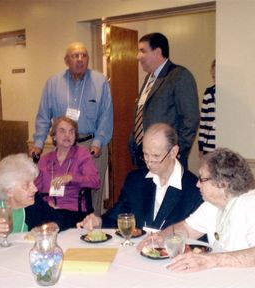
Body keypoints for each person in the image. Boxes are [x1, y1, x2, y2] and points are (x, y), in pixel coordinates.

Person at [138, 148, 255, 288]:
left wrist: (209, 260)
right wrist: (162, 236)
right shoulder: (214, 204)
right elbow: (186, 229)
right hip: (236, 278)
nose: (197, 184)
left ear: (222, 183)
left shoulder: (252, 205)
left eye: (202, 179)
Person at [29, 42, 113, 215]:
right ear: (66, 60)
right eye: (75, 56)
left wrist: (97, 143)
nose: (80, 60)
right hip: (63, 144)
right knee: (60, 187)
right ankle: (59, 219)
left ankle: (92, 227)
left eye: (84, 56)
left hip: (91, 144)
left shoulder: (100, 81)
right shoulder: (53, 83)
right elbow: (44, 115)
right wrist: (38, 143)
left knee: (92, 191)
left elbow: (106, 115)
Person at [77, 123, 203, 231]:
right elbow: (117, 217)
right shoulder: (135, 180)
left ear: (173, 152)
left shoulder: (195, 190)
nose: (149, 162)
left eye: (156, 156)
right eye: (145, 155)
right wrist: (98, 221)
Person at [0, 154, 80, 244]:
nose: (35, 189)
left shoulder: (35, 203)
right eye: (26, 185)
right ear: (8, 190)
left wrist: (53, 225)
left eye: (33, 183)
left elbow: (61, 219)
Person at [129, 32, 199, 169]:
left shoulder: (179, 76)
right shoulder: (149, 78)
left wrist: (177, 151)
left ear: (157, 52)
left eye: (143, 51)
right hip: (144, 156)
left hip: (167, 158)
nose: (138, 56)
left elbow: (191, 118)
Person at [35, 116, 100, 220]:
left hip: (73, 211)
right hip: (48, 210)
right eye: (62, 131)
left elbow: (95, 182)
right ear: (54, 136)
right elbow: (35, 189)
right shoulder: (45, 160)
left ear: (75, 136)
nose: (67, 135)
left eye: (71, 132)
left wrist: (71, 178)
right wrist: (46, 205)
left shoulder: (82, 155)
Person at [198, 59, 216, 157]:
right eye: (213, 77)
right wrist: (201, 146)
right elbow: (203, 122)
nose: (215, 79)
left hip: (224, 144)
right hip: (209, 146)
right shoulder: (209, 93)